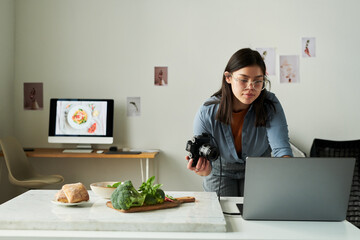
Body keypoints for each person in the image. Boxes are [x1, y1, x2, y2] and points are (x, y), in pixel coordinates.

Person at [186, 48, 293, 197]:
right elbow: (204, 160)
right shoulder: (206, 112)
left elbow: (281, 150)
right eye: (243, 80)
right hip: (220, 170)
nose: (251, 87)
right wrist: (204, 170)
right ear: (228, 77)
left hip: (259, 168)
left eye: (258, 81)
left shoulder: (270, 104)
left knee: (257, 216)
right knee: (222, 216)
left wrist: (288, 174)